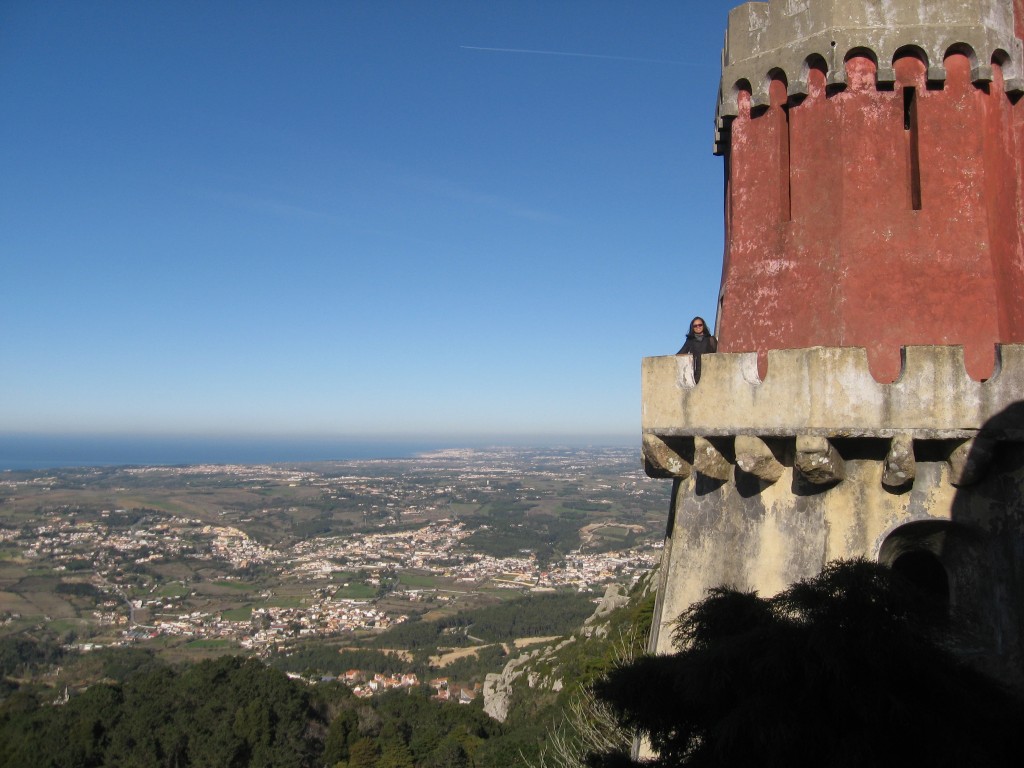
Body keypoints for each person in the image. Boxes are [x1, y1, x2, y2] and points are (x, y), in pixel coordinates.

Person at [676, 316, 717, 382]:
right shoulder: (690, 340)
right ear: (692, 327)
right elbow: (682, 352)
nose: (698, 327)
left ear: (703, 325)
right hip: (695, 374)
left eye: (700, 325)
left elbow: (717, 356)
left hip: (709, 372)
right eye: (695, 326)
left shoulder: (711, 339)